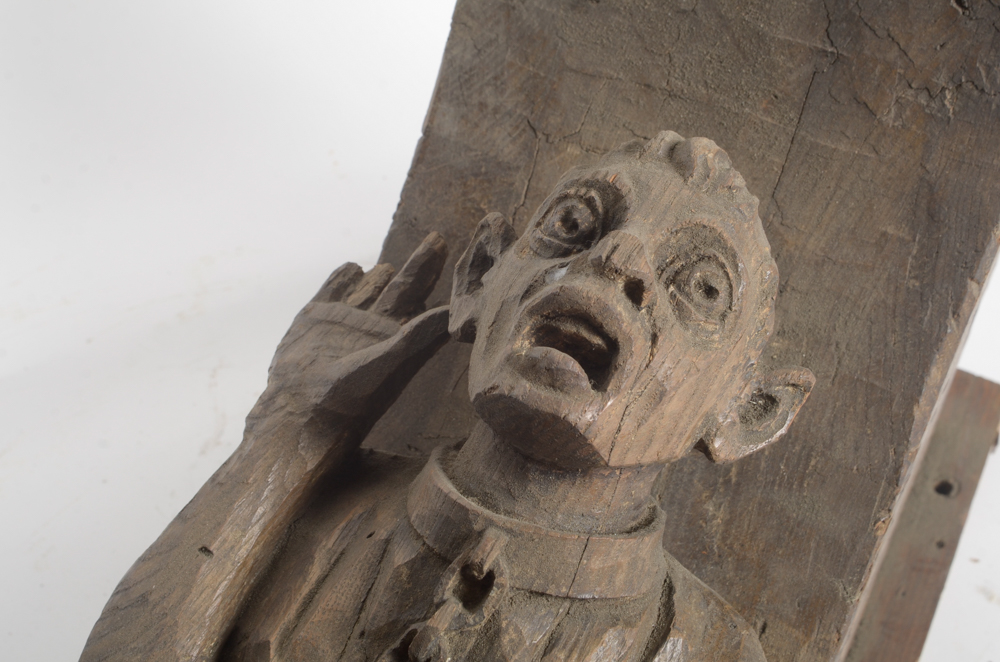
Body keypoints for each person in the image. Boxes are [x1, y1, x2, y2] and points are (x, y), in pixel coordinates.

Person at [81, 131, 814, 662]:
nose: (614, 258)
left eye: (700, 287)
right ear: (479, 278)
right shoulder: (316, 515)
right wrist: (292, 427)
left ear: (748, 414)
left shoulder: (713, 649)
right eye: (572, 226)